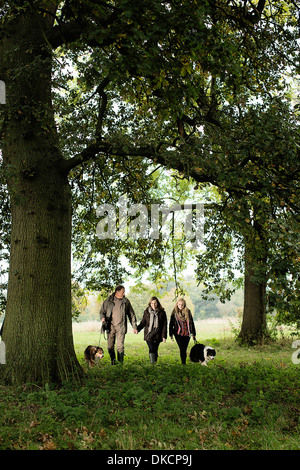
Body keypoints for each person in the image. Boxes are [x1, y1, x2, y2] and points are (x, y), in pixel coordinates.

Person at [100, 285, 138, 365]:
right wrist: (103, 318)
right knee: (110, 346)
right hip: (110, 326)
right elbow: (102, 311)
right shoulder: (109, 300)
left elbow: (131, 314)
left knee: (120, 347)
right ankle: (113, 361)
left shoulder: (126, 301)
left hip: (121, 327)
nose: (124, 294)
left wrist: (134, 327)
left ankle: (120, 364)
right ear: (117, 292)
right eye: (122, 292)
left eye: (124, 292)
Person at [137, 296, 167, 364]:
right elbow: (143, 322)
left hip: (157, 334)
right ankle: (152, 364)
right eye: (152, 303)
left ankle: (154, 363)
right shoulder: (146, 312)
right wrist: (137, 329)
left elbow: (164, 326)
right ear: (150, 304)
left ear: (158, 303)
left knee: (155, 349)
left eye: (155, 303)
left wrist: (164, 336)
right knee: (151, 348)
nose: (153, 305)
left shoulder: (162, 313)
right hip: (149, 334)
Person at [169, 298, 196, 364]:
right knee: (182, 348)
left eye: (182, 305)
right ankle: (183, 363)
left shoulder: (187, 311)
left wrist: (194, 333)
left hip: (187, 333)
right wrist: (170, 334)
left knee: (184, 348)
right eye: (179, 304)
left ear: (184, 305)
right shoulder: (174, 312)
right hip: (178, 333)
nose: (180, 306)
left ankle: (184, 362)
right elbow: (171, 323)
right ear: (177, 304)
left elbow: (191, 322)